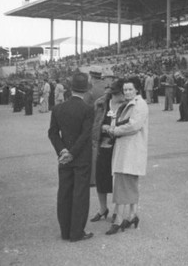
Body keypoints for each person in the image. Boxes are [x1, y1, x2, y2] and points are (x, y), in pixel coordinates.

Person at [48, 72, 94, 242]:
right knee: (80, 195)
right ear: (86, 89)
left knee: (64, 194)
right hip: (80, 158)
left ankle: (65, 231)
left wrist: (63, 151)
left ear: (70, 88)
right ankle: (77, 232)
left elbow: (52, 133)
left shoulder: (58, 108)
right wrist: (72, 153)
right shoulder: (88, 109)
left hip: (64, 158)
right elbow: (85, 135)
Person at [105, 80, 149, 235]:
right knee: (129, 184)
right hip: (129, 150)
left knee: (122, 185)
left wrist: (114, 130)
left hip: (130, 150)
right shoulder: (130, 104)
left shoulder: (139, 105)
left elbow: (134, 126)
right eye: (125, 90)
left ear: (137, 90)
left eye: (130, 89)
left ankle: (118, 219)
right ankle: (132, 215)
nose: (127, 92)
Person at [90, 79, 125, 224]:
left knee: (118, 179)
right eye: (124, 92)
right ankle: (103, 209)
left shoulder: (127, 105)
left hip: (120, 145)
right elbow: (93, 123)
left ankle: (117, 210)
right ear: (117, 93)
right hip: (103, 144)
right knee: (101, 177)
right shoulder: (101, 103)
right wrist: (103, 128)